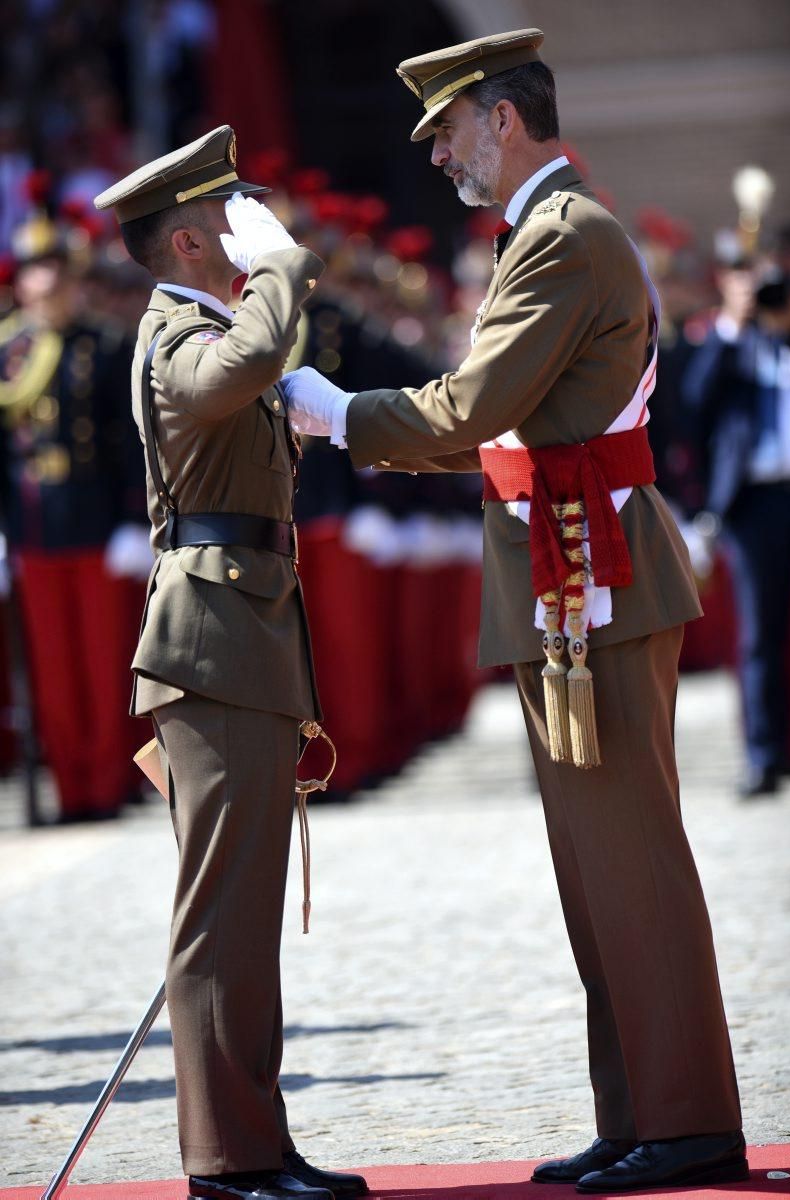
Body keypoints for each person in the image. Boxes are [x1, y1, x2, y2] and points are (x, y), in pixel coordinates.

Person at [282, 29, 746, 1194]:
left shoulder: (559, 237)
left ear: (500, 116)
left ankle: (684, 1116)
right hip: (564, 559)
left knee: (626, 853)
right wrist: (372, 425)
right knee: (594, 864)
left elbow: (478, 399)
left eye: (445, 132)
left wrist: (340, 414)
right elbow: (500, 431)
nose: (439, 157)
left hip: (590, 562)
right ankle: (639, 1110)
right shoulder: (543, 233)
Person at [94, 126, 368, 1200]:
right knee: (219, 914)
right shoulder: (176, 338)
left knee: (245, 912)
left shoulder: (217, 323)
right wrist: (287, 269)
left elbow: (261, 371)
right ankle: (226, 1158)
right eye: (229, 213)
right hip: (207, 644)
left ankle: (262, 1143)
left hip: (244, 633)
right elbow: (246, 365)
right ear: (187, 243)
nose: (248, 222)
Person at [0, 232, 151, 821]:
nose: (48, 287)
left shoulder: (108, 347)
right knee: (55, 672)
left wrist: (131, 521)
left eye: (57, 274)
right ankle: (71, 788)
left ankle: (108, 783)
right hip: (35, 526)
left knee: (104, 661)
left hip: (96, 527)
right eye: (37, 275)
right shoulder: (11, 353)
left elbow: (130, 442)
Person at [683, 264, 790, 795]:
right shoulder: (731, 349)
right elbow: (693, 400)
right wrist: (732, 322)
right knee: (759, 635)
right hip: (756, 505)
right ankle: (763, 755)